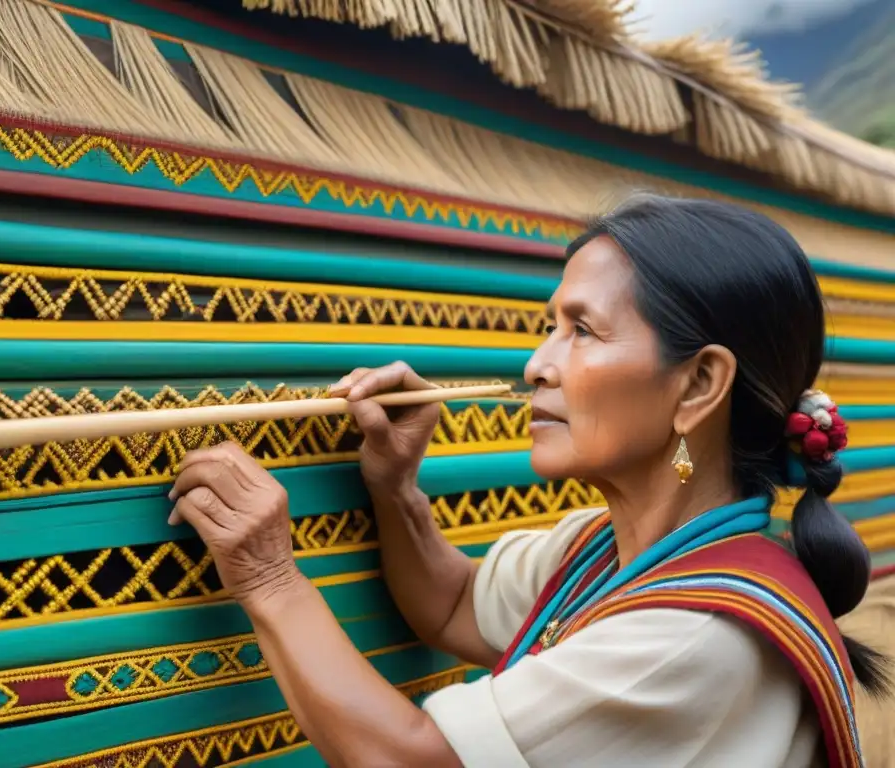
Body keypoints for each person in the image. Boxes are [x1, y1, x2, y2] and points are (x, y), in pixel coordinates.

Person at [168, 194, 891, 767]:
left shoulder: (695, 636)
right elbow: (451, 606)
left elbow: (416, 763)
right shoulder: (604, 552)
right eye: (551, 326)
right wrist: (396, 490)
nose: (536, 365)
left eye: (582, 330)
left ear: (699, 384)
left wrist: (268, 579)